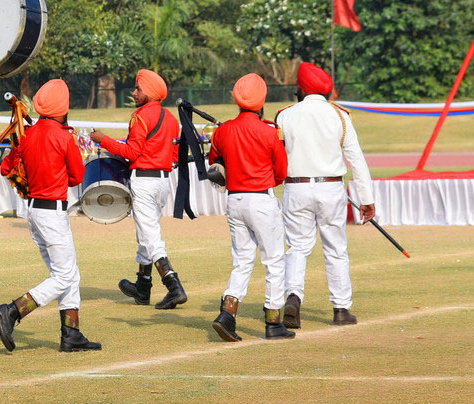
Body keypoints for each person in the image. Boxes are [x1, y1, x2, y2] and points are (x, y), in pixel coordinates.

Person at [0, 79, 101, 353]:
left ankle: (71, 334)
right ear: (63, 108)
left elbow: (7, 169)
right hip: (53, 212)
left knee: (68, 274)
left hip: (34, 211)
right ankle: (12, 311)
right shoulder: (63, 136)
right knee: (64, 276)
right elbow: (77, 176)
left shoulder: (26, 133)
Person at [275, 62, 375, 328]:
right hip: (331, 187)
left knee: (297, 247)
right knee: (336, 249)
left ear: (302, 89)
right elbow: (357, 159)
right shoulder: (340, 115)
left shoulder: (284, 115)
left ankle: (293, 298)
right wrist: (366, 199)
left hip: (295, 187)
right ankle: (341, 309)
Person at [89, 69, 187, 310]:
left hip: (144, 181)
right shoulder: (171, 119)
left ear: (150, 92)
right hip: (163, 182)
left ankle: (173, 285)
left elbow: (132, 152)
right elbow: (174, 155)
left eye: (138, 89)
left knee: (150, 236)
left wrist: (103, 140)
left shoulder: (140, 116)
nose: (134, 93)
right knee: (146, 233)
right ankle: (143, 287)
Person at [206, 74, 292, 341]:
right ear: (262, 100)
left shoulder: (223, 130)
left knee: (242, 261)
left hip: (234, 200)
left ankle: (228, 314)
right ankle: (273, 322)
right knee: (274, 261)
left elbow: (214, 164)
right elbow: (281, 172)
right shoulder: (269, 131)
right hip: (261, 199)